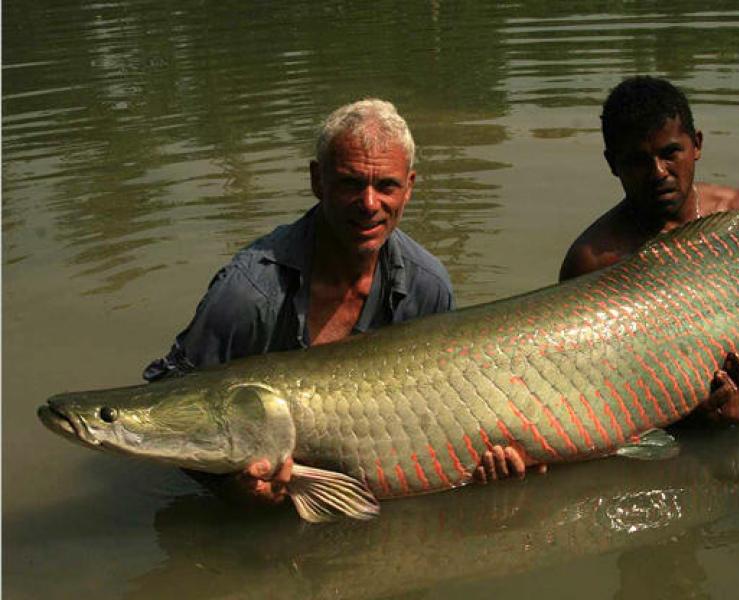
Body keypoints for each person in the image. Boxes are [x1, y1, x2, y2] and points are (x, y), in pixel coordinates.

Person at [146, 99, 520, 504]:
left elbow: (446, 409)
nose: (370, 204)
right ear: (317, 181)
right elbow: (167, 404)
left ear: (409, 187)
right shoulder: (247, 294)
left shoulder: (426, 286)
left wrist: (483, 463)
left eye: (387, 186)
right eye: (351, 183)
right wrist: (231, 486)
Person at [559, 76, 739, 422]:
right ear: (612, 164)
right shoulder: (592, 261)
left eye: (670, 153)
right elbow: (589, 388)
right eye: (637, 161)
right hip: (674, 420)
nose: (658, 172)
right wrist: (689, 420)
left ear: (697, 145)